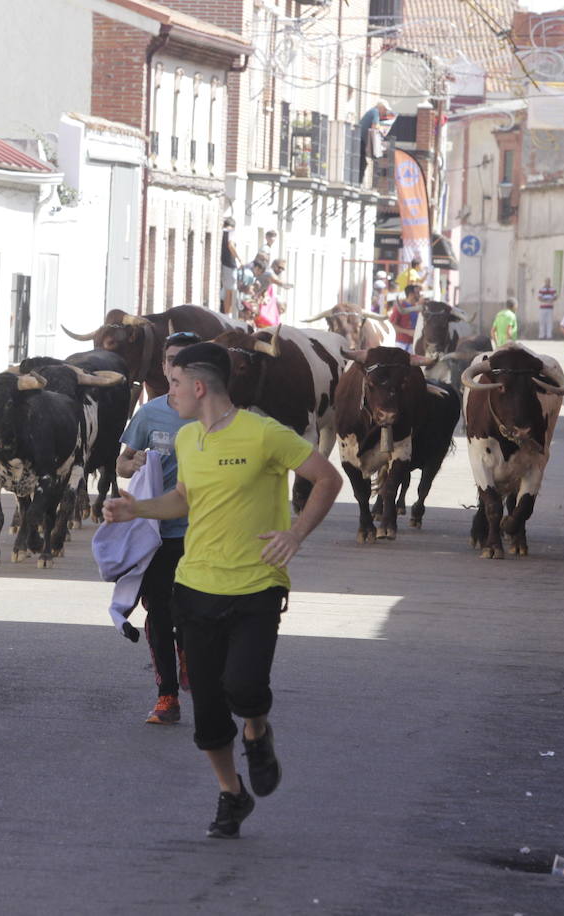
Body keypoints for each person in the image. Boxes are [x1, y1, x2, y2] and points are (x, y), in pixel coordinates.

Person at [103, 342, 342, 839]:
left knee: (245, 688)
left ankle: (257, 731)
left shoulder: (263, 434)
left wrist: (295, 534)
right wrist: (136, 510)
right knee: (208, 715)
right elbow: (184, 499)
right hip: (195, 586)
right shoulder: (189, 440)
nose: (167, 391)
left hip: (256, 585)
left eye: (173, 384)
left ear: (197, 387)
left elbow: (327, 478)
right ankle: (232, 794)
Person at [116, 330, 199, 725]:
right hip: (158, 533)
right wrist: (133, 466)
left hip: (202, 533)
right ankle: (167, 695)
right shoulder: (149, 414)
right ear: (163, 366)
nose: (174, 367)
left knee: (193, 613)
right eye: (170, 360)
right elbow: (122, 463)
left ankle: (192, 658)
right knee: (160, 613)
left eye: (184, 360)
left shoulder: (214, 413)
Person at [388, 284, 422, 353]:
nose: (419, 295)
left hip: (416, 344)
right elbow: (392, 326)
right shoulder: (400, 306)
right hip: (402, 344)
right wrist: (408, 332)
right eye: (417, 293)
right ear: (411, 294)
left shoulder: (418, 307)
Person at [220, 217, 240, 315]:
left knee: (226, 290)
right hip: (229, 264)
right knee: (230, 292)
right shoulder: (231, 232)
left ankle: (226, 313)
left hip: (222, 263)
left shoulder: (221, 232)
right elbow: (231, 245)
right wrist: (239, 259)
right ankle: (227, 314)